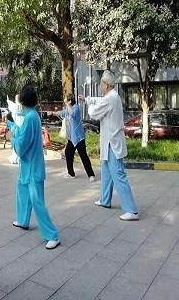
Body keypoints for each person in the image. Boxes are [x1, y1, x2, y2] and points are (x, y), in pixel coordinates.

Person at [79, 70, 139, 221]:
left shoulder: (110, 99)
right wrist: (87, 99)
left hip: (112, 143)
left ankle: (131, 210)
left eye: (101, 84)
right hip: (109, 142)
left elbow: (94, 113)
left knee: (118, 174)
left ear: (106, 85)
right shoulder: (112, 97)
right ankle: (105, 200)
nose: (100, 86)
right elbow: (99, 100)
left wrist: (89, 105)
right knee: (106, 170)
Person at [6, 86, 60, 250]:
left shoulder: (30, 117)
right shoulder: (31, 115)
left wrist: (11, 139)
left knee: (37, 201)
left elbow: (22, 145)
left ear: (23, 101)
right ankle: (23, 220)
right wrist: (11, 124)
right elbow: (23, 132)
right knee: (22, 191)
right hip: (29, 166)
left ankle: (52, 235)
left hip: (32, 167)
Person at [49, 94, 96, 181]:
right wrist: (53, 113)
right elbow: (61, 112)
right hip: (72, 138)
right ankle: (71, 173)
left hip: (79, 137)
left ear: (70, 101)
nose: (64, 101)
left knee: (83, 156)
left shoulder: (76, 108)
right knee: (68, 153)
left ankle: (91, 175)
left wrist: (67, 104)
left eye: (66, 99)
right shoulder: (68, 109)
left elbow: (72, 114)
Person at [6, 94, 24, 164]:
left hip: (18, 128)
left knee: (17, 144)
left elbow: (11, 105)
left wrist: (8, 101)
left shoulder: (16, 107)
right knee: (20, 144)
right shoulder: (23, 108)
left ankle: (16, 158)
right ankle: (18, 158)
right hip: (21, 128)